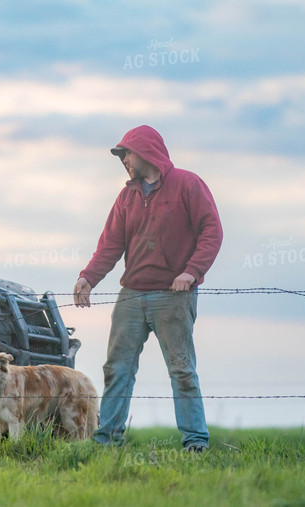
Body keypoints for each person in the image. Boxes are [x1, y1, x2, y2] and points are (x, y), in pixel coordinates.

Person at [73, 125, 223, 451]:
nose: (123, 160)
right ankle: (106, 443)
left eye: (126, 153)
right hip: (131, 295)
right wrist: (89, 278)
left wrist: (192, 273)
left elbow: (211, 230)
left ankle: (195, 443)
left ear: (144, 152)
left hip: (174, 295)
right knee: (116, 370)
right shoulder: (127, 196)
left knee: (182, 370)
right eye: (121, 155)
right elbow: (109, 246)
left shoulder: (187, 184)